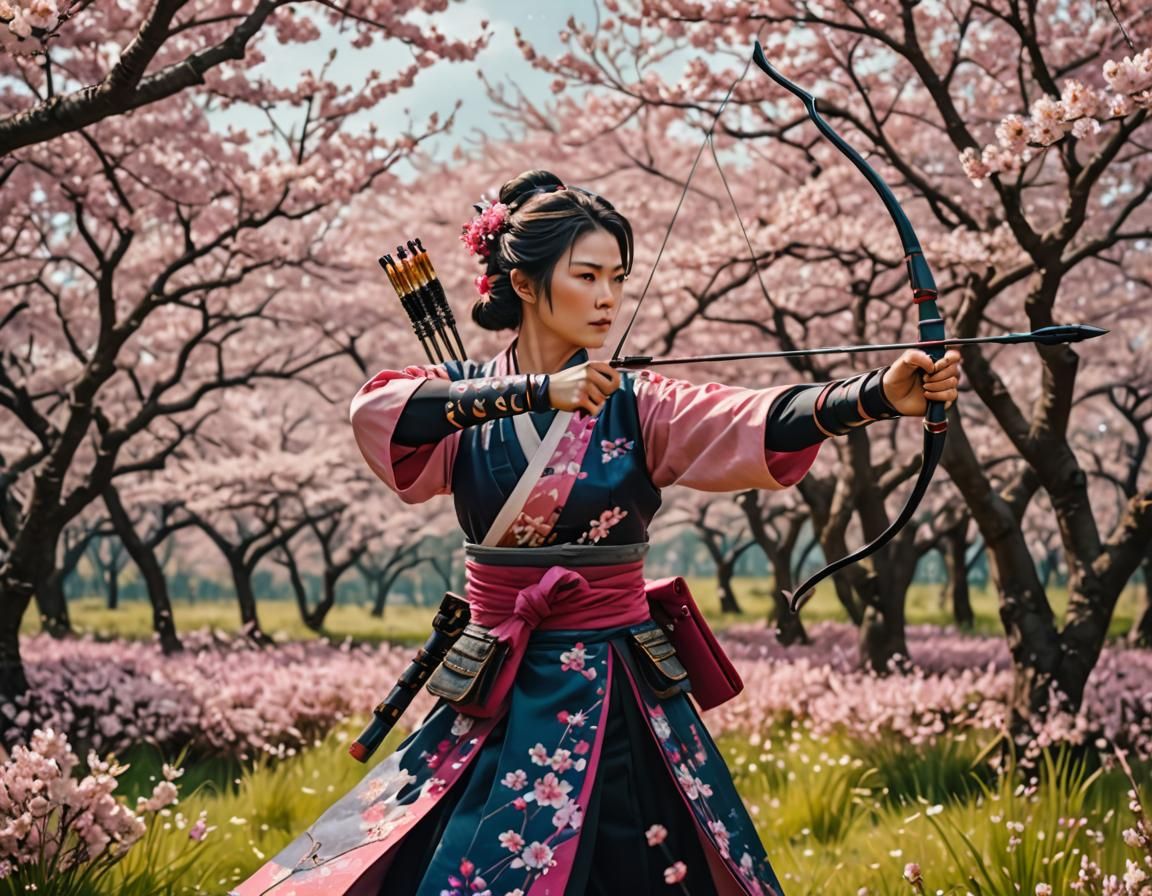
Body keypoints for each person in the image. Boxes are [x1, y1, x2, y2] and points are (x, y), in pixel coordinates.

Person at [232, 169, 961, 896]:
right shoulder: (458, 399)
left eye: (618, 276)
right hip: (494, 684)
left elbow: (749, 417)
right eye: (586, 276)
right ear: (522, 283)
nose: (608, 297)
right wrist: (530, 392)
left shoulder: (638, 403)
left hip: (617, 686)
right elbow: (380, 411)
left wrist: (871, 396)